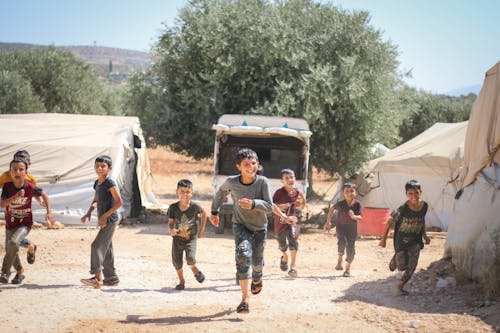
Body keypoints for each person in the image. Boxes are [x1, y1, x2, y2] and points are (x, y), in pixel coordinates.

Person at [210, 148, 273, 314]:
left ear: (258, 164)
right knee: (243, 255)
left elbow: (269, 207)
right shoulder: (232, 182)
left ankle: (258, 277)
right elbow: (221, 193)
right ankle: (245, 299)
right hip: (241, 225)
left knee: (257, 263)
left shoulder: (262, 182)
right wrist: (214, 211)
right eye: (246, 164)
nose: (251, 166)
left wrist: (253, 204)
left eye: (254, 163)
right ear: (239, 166)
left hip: (259, 228)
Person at [0, 158, 55, 284]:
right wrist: (15, 197)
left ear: (26, 172)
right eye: (14, 169)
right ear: (10, 172)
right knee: (11, 248)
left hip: (24, 223)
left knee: (13, 242)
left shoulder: (29, 186)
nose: (17, 172)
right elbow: (2, 204)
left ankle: (4, 273)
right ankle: (20, 272)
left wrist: (49, 212)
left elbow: (44, 194)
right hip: (10, 223)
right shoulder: (7, 187)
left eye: (21, 169)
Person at [379, 179, 431, 295]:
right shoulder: (402, 209)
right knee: (401, 266)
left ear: (420, 192)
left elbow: (422, 220)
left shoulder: (424, 206)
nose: (414, 196)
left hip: (415, 240)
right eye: (410, 193)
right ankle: (396, 258)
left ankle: (400, 286)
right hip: (401, 240)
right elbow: (389, 222)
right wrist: (383, 240)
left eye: (416, 193)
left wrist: (425, 236)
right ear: (406, 194)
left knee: (412, 265)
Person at [80, 155, 123, 288]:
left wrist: (104, 216)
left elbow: (119, 202)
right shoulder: (97, 183)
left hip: (110, 219)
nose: (99, 168)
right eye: (97, 166)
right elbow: (96, 200)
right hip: (104, 218)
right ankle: (111, 278)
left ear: (109, 168)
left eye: (103, 166)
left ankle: (97, 278)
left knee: (96, 246)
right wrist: (88, 212)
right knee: (106, 248)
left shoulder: (109, 183)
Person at [0, 150, 45, 264]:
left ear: (28, 164)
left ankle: (29, 247)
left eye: (24, 162)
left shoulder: (31, 179)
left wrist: (39, 200)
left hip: (22, 212)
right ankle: (18, 269)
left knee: (13, 241)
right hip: (9, 211)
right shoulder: (6, 176)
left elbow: (33, 192)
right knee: (11, 242)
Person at [168, 179, 208, 291]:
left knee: (190, 258)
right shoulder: (173, 208)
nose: (185, 194)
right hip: (177, 239)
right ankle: (181, 281)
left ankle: (194, 269)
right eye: (182, 191)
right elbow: (170, 223)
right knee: (177, 262)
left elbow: (204, 214)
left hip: (191, 238)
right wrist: (171, 230)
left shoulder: (195, 207)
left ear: (192, 193)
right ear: (177, 192)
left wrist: (202, 230)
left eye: (187, 192)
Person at [323, 182, 363, 277]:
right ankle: (339, 260)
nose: (349, 193)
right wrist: (328, 221)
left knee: (351, 250)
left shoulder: (357, 204)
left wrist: (354, 217)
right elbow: (331, 209)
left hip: (352, 229)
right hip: (341, 227)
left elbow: (360, 217)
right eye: (347, 191)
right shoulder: (341, 204)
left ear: (355, 192)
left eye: (352, 191)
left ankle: (347, 269)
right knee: (342, 242)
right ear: (343, 194)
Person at [272, 168, 306, 278]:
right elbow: (273, 207)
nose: (290, 180)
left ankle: (293, 267)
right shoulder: (278, 193)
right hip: (280, 223)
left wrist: (301, 206)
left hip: (292, 222)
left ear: (295, 179)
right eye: (286, 178)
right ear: (282, 181)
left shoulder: (297, 192)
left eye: (291, 177)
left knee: (293, 241)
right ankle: (284, 256)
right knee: (282, 245)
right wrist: (284, 206)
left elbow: (303, 200)